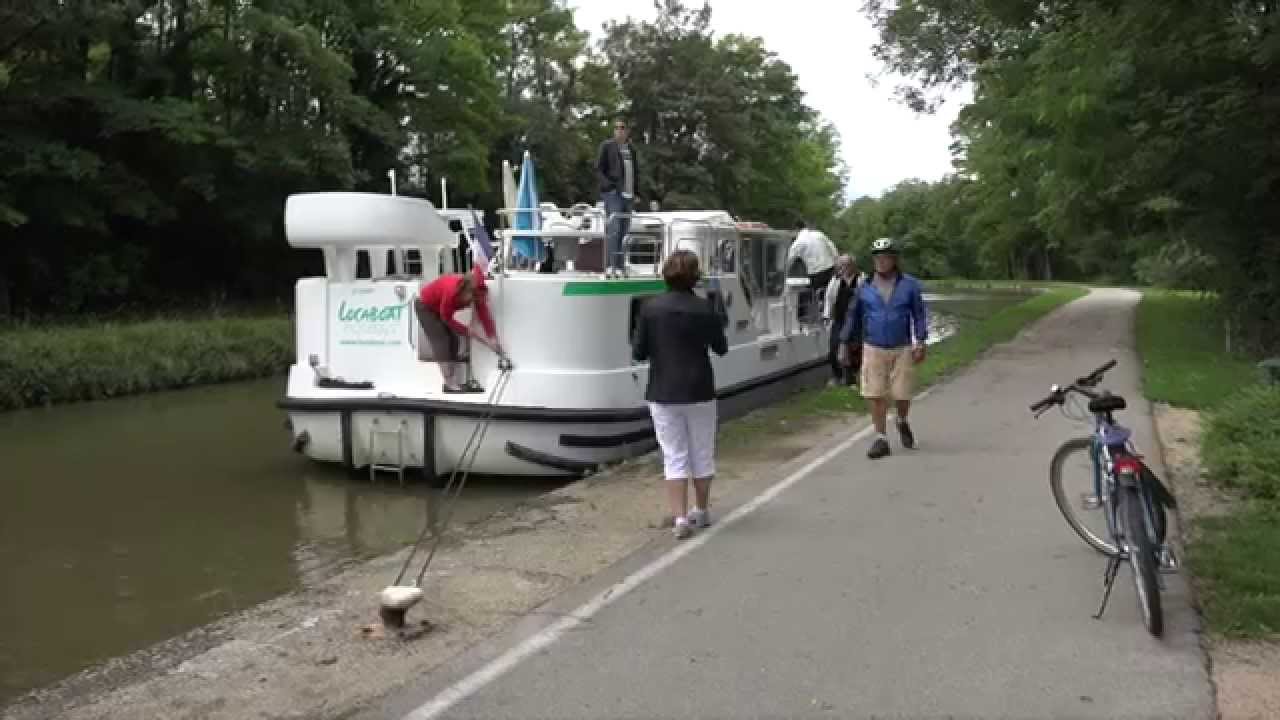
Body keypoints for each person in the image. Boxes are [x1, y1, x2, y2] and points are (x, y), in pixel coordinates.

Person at [631, 250, 729, 539]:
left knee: (674, 455)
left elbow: (639, 352)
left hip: (663, 390)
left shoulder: (650, 309)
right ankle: (702, 510)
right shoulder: (705, 308)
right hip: (700, 389)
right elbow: (720, 348)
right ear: (695, 275)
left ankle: (680, 519)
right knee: (702, 452)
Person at [838, 237, 928, 459]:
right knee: (875, 392)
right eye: (877, 257)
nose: (881, 261)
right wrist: (843, 343)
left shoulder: (909, 285)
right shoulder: (864, 287)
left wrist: (921, 340)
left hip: (902, 346)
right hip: (873, 346)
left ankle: (902, 420)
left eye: (886, 257)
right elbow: (852, 317)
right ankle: (881, 438)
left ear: (894, 259)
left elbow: (918, 314)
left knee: (902, 393)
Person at [415, 265, 505, 394]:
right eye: (472, 298)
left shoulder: (477, 292)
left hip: (439, 309)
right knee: (442, 340)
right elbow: (446, 317)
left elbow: (484, 315)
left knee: (454, 340)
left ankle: (453, 381)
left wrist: (492, 338)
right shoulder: (451, 291)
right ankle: (449, 383)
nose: (473, 301)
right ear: (466, 291)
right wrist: (468, 331)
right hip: (425, 306)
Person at [597, 118, 640, 279]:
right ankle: (610, 266)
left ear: (627, 131)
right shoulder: (607, 146)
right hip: (614, 194)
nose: (619, 130)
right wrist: (609, 187)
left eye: (622, 128)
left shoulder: (631, 150)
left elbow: (636, 172)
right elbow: (599, 169)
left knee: (624, 231)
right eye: (616, 128)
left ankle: (621, 266)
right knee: (613, 229)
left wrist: (637, 192)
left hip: (629, 196)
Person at [822, 255, 863, 386]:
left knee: (855, 348)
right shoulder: (835, 281)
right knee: (834, 347)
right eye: (841, 265)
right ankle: (837, 375)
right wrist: (827, 315)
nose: (843, 268)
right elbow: (829, 299)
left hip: (857, 321)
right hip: (839, 319)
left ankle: (852, 376)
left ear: (853, 266)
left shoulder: (862, 279)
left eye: (846, 265)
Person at [787, 220, 839, 321]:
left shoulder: (798, 242)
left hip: (816, 274)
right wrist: (837, 263)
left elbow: (789, 260)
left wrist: (783, 274)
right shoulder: (819, 234)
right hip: (831, 269)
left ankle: (802, 318)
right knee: (829, 291)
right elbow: (832, 248)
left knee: (805, 293)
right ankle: (828, 313)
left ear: (796, 230)